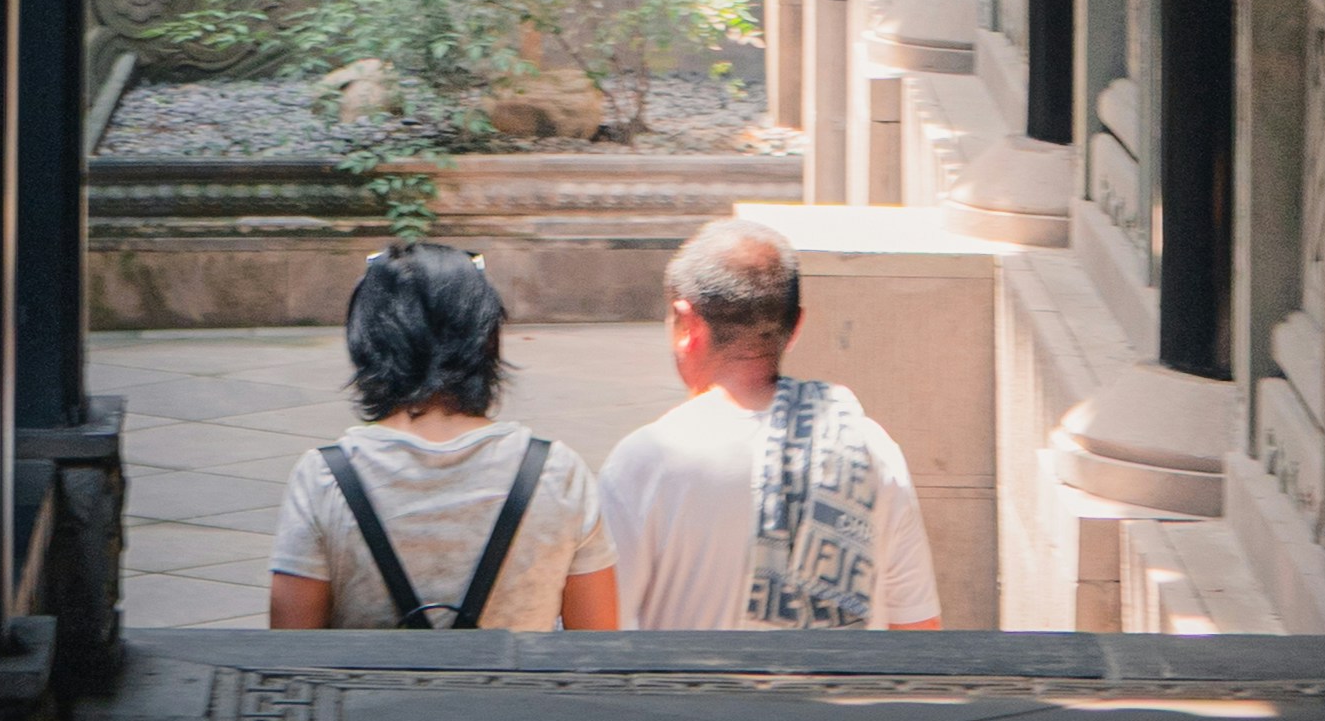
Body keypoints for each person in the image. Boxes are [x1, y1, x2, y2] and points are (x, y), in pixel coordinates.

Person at [596, 217, 943, 632]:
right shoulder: (870, 447)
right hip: (842, 696)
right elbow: (918, 631)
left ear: (687, 324)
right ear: (795, 326)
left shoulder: (645, 463)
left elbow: (599, 638)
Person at [267, 245, 620, 633]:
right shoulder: (556, 471)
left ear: (368, 341)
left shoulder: (325, 477)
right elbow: (595, 649)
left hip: (372, 695)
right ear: (487, 339)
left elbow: (291, 651)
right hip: (515, 695)